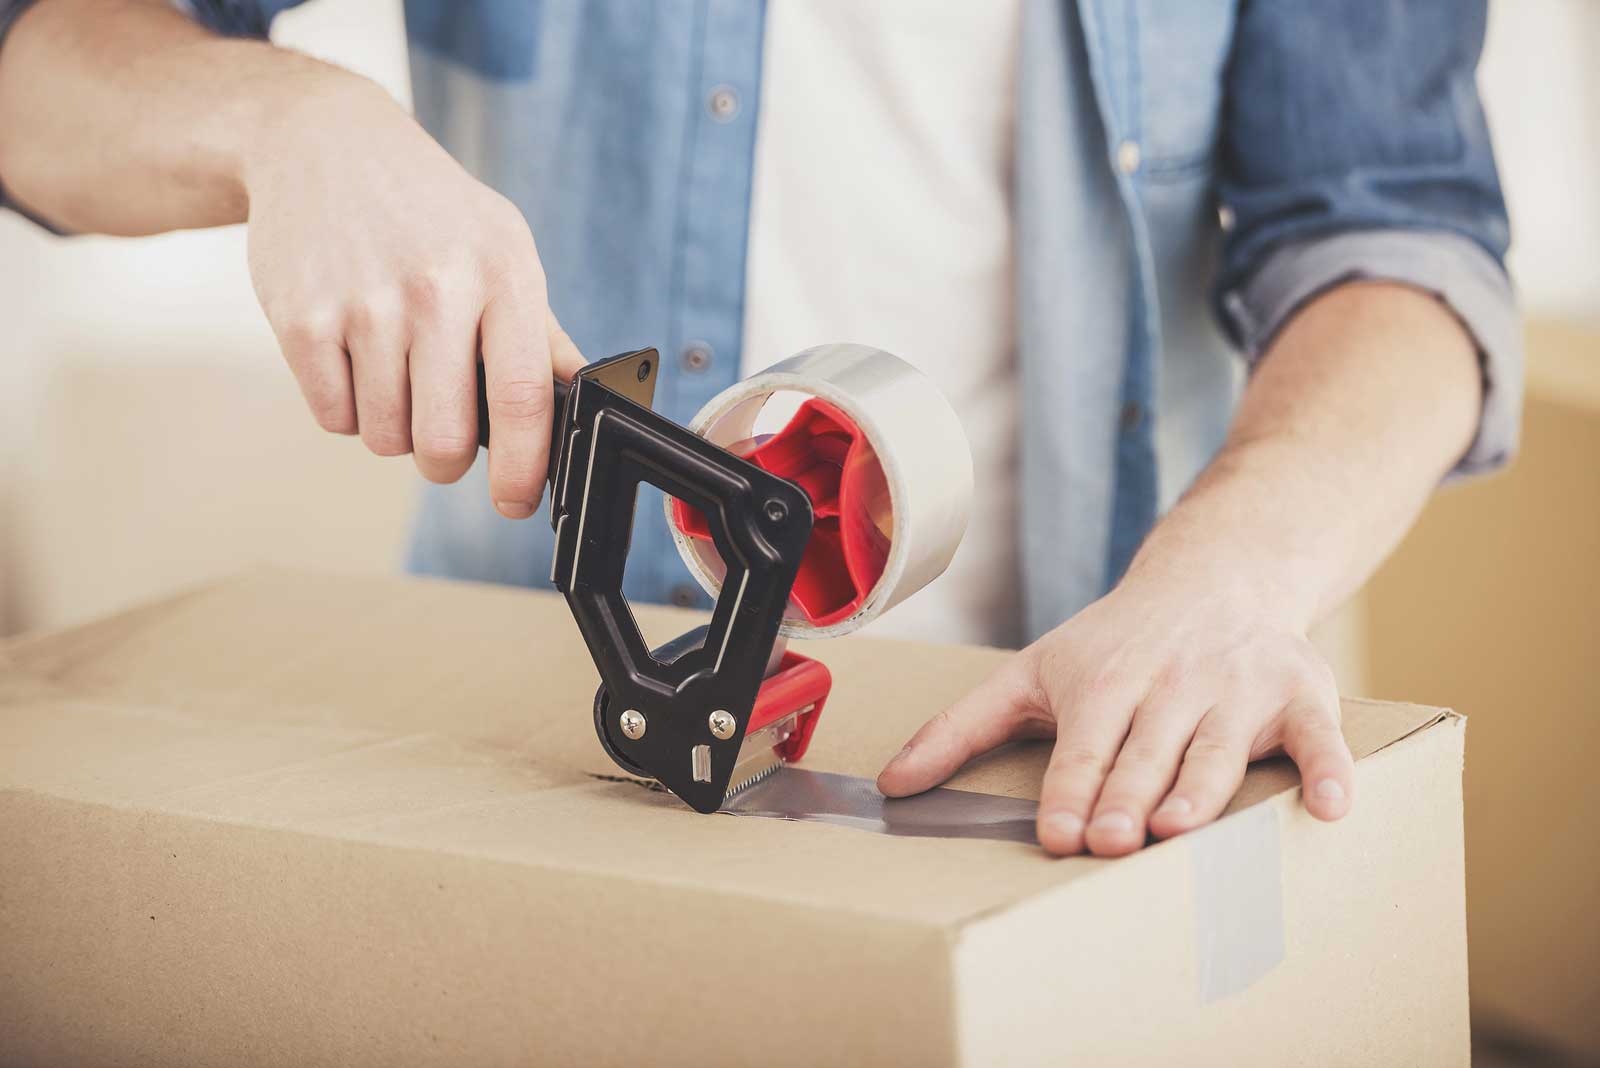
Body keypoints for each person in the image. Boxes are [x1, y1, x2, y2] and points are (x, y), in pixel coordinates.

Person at [0, 0, 1519, 857]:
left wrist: (1227, 582)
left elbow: (1402, 238)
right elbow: (36, 83)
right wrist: (282, 118)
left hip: (1067, 750)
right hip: (508, 755)